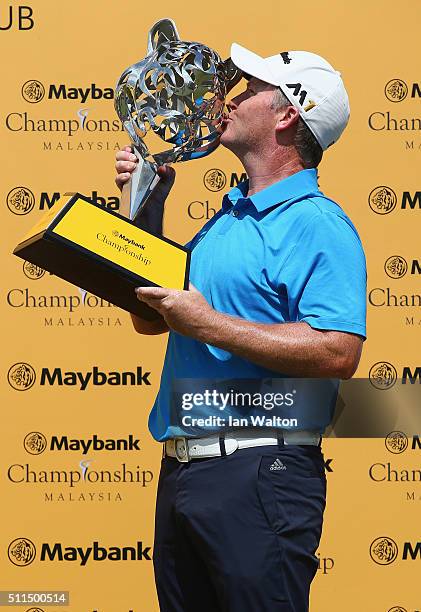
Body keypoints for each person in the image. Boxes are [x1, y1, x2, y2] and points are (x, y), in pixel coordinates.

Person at [115, 43, 367, 612]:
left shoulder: (318, 222)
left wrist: (209, 325)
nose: (229, 98)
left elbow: (338, 352)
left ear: (286, 116)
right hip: (184, 471)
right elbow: (150, 319)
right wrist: (143, 210)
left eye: (249, 90)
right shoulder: (225, 218)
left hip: (261, 477)